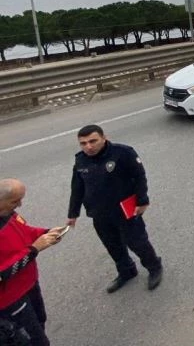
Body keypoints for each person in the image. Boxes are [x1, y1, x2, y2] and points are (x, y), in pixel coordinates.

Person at [67, 124, 163, 293]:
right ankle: (127, 271)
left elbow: (139, 176)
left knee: (137, 242)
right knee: (113, 246)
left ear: (104, 138)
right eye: (83, 143)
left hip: (125, 210)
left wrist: (142, 200)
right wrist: (73, 213)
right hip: (99, 214)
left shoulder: (123, 153)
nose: (88, 146)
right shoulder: (81, 159)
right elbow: (77, 187)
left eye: (93, 141)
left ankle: (154, 266)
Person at [0, 178, 64, 346]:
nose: (20, 205)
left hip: (29, 284)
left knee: (40, 320)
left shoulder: (8, 213)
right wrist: (34, 249)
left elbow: (25, 231)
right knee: (33, 340)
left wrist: (46, 233)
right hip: (10, 299)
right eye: (15, 201)